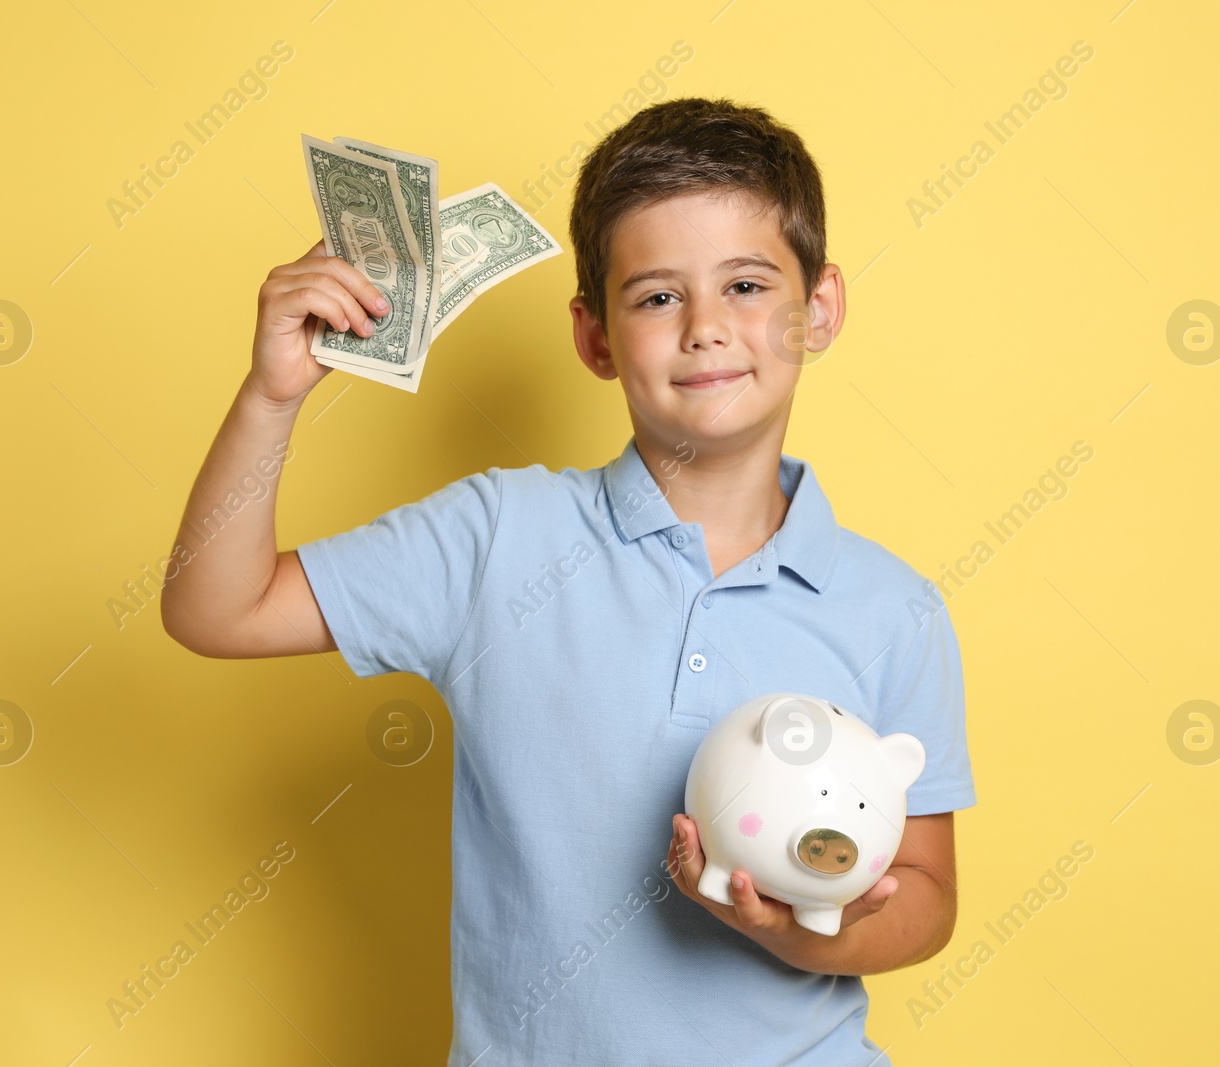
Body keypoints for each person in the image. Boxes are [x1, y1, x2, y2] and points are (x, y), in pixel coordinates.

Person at [162, 96, 976, 1066]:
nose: (707, 327)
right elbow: (216, 607)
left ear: (821, 308)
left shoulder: (894, 608)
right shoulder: (497, 537)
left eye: (748, 284)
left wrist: (796, 931)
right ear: (594, 336)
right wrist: (271, 397)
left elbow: (924, 894)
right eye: (657, 296)